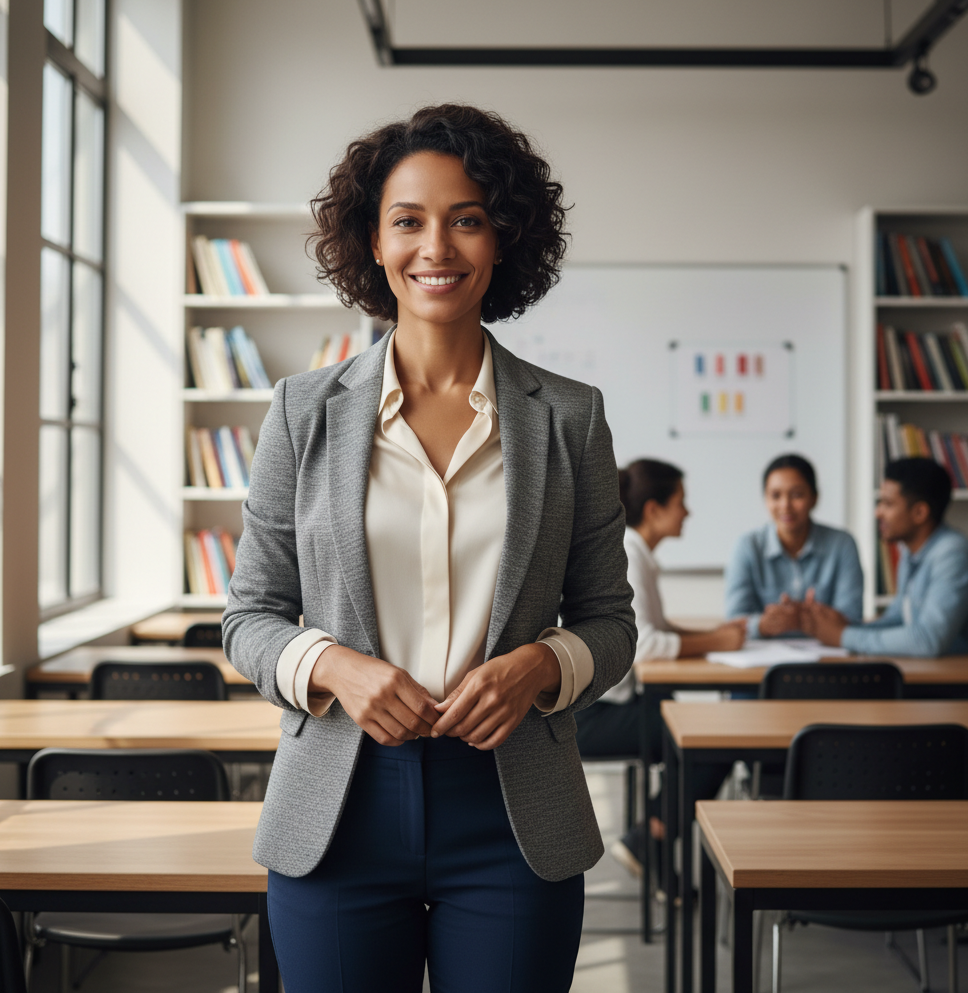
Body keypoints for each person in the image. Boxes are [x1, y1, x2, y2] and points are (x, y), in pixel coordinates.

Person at [222, 105, 637, 993]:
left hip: (513, 808)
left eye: (468, 218)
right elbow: (246, 618)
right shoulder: (303, 410)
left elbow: (610, 625)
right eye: (408, 220)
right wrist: (335, 665)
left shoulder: (571, 418)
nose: (436, 246)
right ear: (373, 242)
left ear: (503, 240)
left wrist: (537, 665)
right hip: (339, 805)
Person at [575, 458, 745, 877]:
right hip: (592, 717)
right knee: (711, 738)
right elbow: (643, 646)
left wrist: (711, 635)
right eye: (681, 502)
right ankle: (651, 837)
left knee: (698, 726)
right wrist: (718, 641)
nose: (687, 512)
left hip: (606, 707)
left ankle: (653, 841)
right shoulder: (628, 553)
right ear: (654, 509)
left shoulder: (636, 551)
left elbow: (654, 627)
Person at [804, 457, 968, 655]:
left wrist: (843, 636)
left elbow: (928, 640)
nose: (878, 512)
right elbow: (899, 618)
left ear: (920, 513)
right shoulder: (911, 551)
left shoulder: (953, 554)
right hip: (943, 674)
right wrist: (848, 627)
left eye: (887, 504)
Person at [724, 453, 864, 638]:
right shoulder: (747, 546)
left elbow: (851, 619)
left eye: (797, 495)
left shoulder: (842, 544)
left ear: (814, 498)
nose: (785, 505)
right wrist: (763, 625)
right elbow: (734, 621)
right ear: (765, 499)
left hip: (828, 659)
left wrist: (810, 618)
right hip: (764, 661)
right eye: (775, 495)